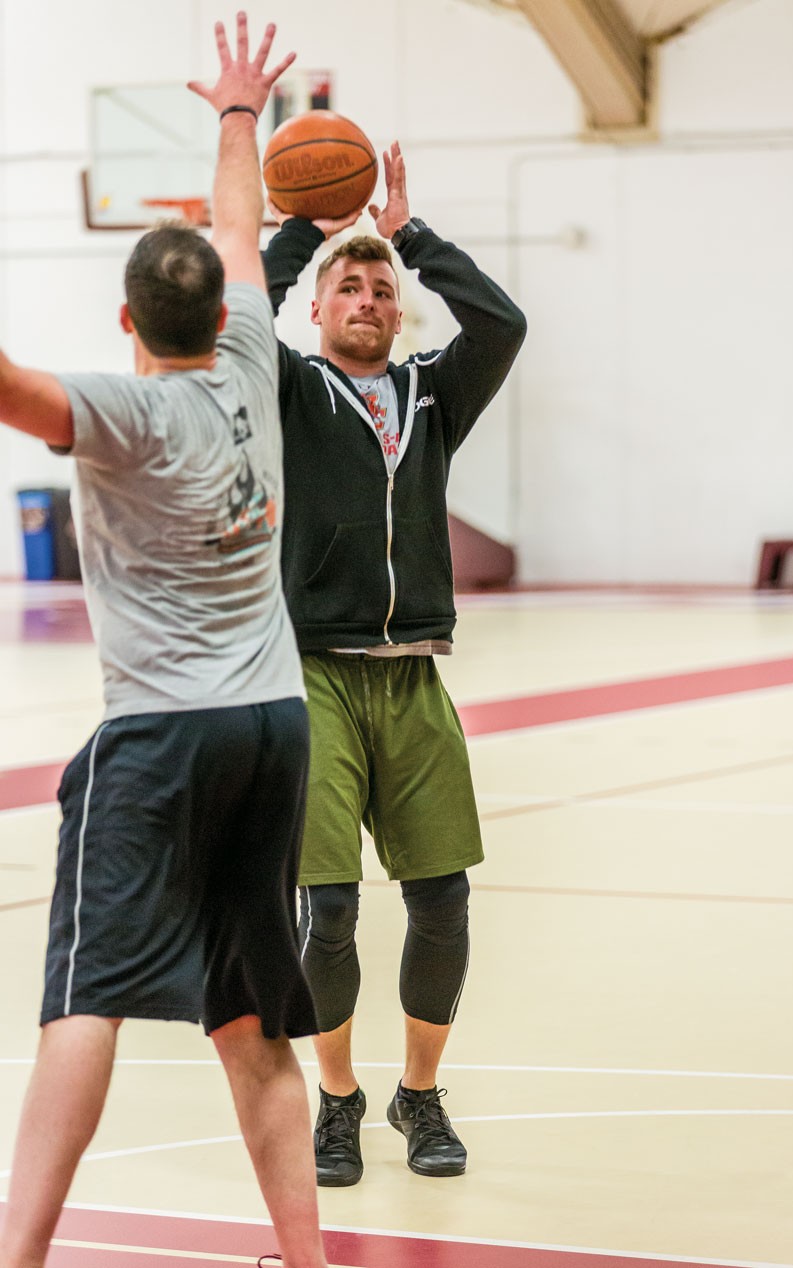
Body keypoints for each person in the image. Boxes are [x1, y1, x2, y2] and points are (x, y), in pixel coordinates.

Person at [0, 15, 327, 1268]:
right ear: (211, 305)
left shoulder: (122, 410)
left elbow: (18, 388)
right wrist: (242, 111)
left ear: (125, 315)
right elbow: (241, 228)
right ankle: (304, 1256)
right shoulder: (250, 354)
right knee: (250, 1016)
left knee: (84, 993)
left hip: (160, 738)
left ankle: (21, 1251)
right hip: (272, 724)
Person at [261, 141, 527, 1186]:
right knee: (324, 908)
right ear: (319, 309)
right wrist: (307, 229)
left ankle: (420, 1092)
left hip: (413, 673)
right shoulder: (286, 387)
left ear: (399, 308)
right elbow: (243, 312)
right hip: (313, 675)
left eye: (382, 287)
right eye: (349, 285)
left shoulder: (432, 394)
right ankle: (338, 1098)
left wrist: (409, 234)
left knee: (442, 898)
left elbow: (501, 323)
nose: (367, 297)